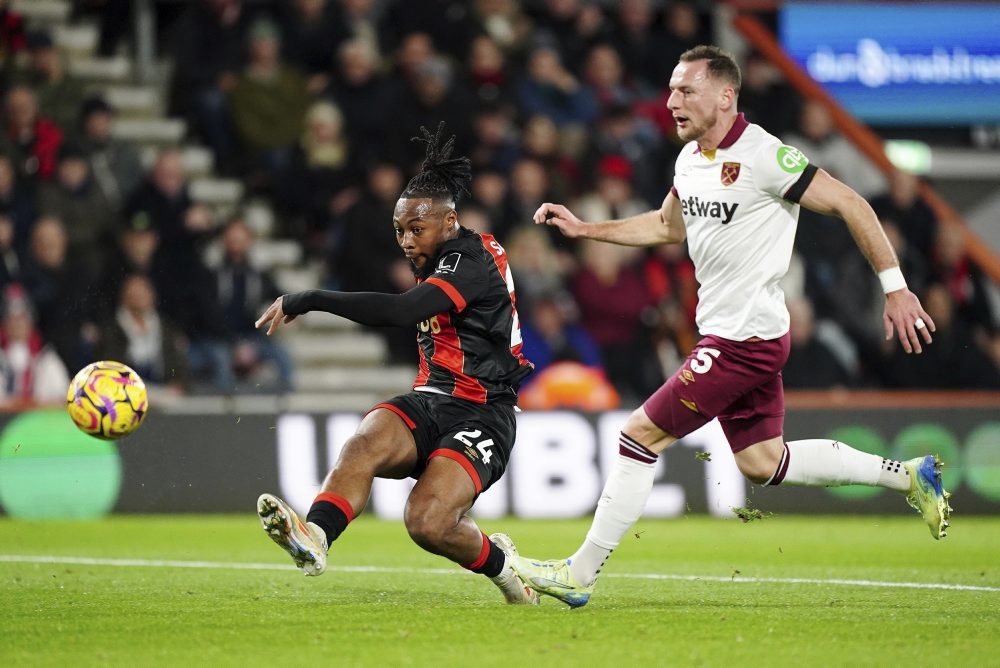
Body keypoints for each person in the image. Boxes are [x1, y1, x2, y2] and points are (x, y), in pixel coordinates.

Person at [512, 46, 951, 609]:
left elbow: (851, 202)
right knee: (766, 463)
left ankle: (580, 573)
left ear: (725, 96)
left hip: (744, 340)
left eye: (685, 91)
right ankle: (910, 475)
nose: (671, 102)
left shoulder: (767, 156)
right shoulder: (691, 159)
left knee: (637, 435)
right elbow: (668, 226)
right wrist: (586, 229)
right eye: (670, 91)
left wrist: (895, 288)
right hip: (737, 334)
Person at [254, 123, 538, 606]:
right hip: (430, 400)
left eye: (416, 229)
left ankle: (508, 571)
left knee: (425, 523)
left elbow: (402, 311)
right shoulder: (437, 256)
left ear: (449, 222)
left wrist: (310, 298)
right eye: (399, 230)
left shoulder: (472, 257)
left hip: (483, 411)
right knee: (364, 442)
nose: (406, 240)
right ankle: (316, 538)